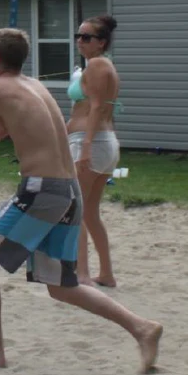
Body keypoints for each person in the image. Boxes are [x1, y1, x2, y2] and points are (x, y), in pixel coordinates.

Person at [0, 28, 162, 373]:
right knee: (60, 285)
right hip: (68, 191)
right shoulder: (33, 87)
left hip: (42, 189)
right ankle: (142, 328)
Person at [68, 15, 121, 287]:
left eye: (86, 37)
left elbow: (97, 107)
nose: (80, 40)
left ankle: (83, 274)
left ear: (101, 42)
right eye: (78, 35)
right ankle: (107, 274)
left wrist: (85, 147)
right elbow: (86, 109)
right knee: (90, 212)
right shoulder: (99, 65)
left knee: (76, 209)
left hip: (93, 142)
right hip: (102, 141)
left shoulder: (98, 65)